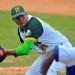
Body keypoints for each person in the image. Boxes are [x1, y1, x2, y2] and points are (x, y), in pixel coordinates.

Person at [0, 5, 74, 75]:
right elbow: (25, 46)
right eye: (17, 18)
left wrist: (5, 52)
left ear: (26, 14)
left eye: (22, 16)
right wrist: (5, 52)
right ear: (13, 19)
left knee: (49, 71)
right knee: (31, 73)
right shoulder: (20, 31)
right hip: (47, 53)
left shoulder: (33, 24)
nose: (21, 19)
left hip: (62, 49)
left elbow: (25, 49)